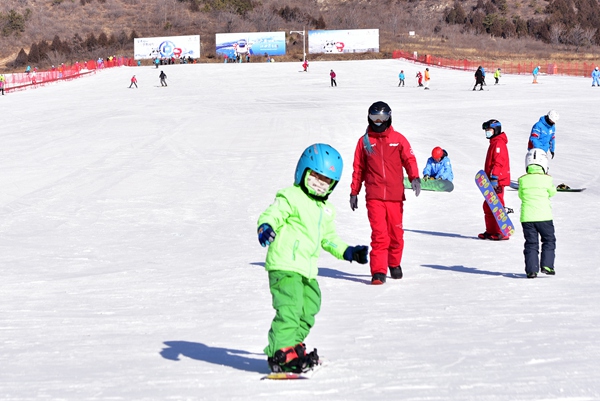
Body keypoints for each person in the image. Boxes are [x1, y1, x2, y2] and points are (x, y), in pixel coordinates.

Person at [257, 143, 369, 373]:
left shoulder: (325, 210)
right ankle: (280, 353)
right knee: (290, 306)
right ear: (303, 172)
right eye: (315, 176)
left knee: (310, 306)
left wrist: (348, 251)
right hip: (285, 265)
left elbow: (328, 239)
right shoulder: (291, 196)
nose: (319, 184)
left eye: (326, 181)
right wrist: (265, 226)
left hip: (306, 270)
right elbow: (273, 214)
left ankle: (291, 345)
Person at [349, 101, 421, 285]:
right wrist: (354, 191)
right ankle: (378, 271)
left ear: (389, 118)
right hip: (374, 196)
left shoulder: (398, 139)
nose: (378, 122)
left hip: (395, 196)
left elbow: (409, 159)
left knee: (396, 233)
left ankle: (394, 263)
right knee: (380, 234)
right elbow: (358, 168)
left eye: (382, 118)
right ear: (369, 118)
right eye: (375, 118)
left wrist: (414, 177)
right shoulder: (364, 142)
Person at [518, 148, 557, 278]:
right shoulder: (547, 179)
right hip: (544, 216)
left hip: (527, 218)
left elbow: (521, 195)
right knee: (548, 240)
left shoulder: (522, 179)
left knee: (531, 243)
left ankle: (531, 270)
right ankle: (547, 265)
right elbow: (552, 192)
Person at [478, 119, 511, 240]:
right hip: (491, 180)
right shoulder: (494, 142)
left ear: (496, 130)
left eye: (489, 130)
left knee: (497, 205)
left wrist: (494, 177)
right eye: (486, 130)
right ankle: (491, 230)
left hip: (497, 181)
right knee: (488, 206)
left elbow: (499, 162)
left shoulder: (499, 144)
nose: (487, 132)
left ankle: (502, 232)